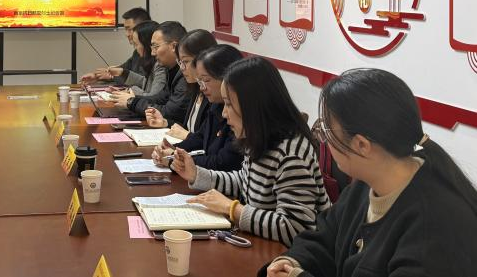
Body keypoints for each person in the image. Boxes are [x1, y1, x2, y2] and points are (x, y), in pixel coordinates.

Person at [266, 69, 477, 277]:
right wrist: (291, 261)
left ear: (361, 145)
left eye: (327, 130)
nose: (325, 140)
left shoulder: (435, 228)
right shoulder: (367, 183)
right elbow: (325, 237)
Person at [172, 56, 330, 246]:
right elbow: (245, 181)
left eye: (229, 104)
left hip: (288, 256)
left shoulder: (291, 153)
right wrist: (196, 174)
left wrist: (233, 209)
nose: (224, 113)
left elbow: (296, 228)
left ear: (253, 106)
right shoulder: (257, 138)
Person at [152, 44, 243, 172]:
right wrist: (175, 149)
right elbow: (201, 137)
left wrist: (175, 158)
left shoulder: (240, 115)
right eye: (200, 81)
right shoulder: (216, 104)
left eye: (206, 80)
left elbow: (223, 163)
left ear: (226, 78)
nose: (201, 87)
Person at [145, 29, 217, 139]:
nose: (182, 68)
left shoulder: (214, 96)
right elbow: (188, 129)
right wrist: (165, 122)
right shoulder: (195, 87)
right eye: (180, 62)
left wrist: (187, 136)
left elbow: (209, 141)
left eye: (186, 61)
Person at [114, 21, 190, 124]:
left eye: (156, 47)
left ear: (174, 46)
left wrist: (132, 102)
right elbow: (159, 98)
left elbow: (169, 112)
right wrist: (131, 98)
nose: (153, 53)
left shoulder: (186, 74)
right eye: (152, 47)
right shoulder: (171, 69)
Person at [81, 7, 151, 83]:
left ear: (142, 27)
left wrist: (111, 77)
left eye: (129, 29)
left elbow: (142, 82)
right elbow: (122, 70)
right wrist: (97, 76)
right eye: (125, 29)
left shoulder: (153, 54)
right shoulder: (137, 53)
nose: (127, 34)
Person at [95, 20, 166, 96]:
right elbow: (144, 82)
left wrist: (131, 91)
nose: (135, 48)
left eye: (136, 44)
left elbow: (153, 97)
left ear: (146, 44)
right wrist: (122, 73)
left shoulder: (160, 65)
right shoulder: (149, 61)